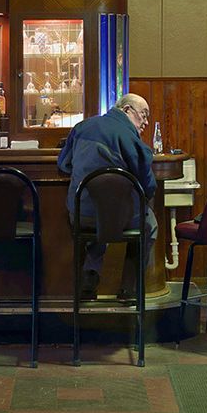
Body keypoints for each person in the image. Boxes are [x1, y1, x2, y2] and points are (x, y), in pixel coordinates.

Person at [57, 93, 157, 300]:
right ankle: (129, 290)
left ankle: (89, 277)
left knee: (101, 216)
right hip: (118, 219)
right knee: (149, 223)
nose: (146, 122)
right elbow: (147, 183)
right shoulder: (128, 136)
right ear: (127, 110)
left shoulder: (82, 126)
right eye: (143, 115)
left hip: (79, 214)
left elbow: (64, 164)